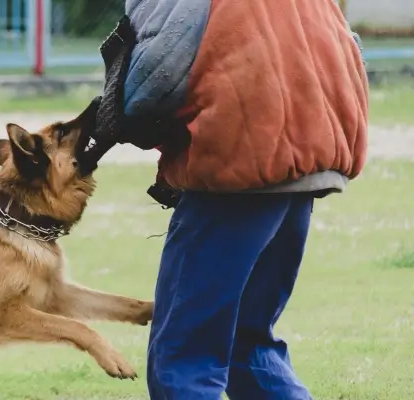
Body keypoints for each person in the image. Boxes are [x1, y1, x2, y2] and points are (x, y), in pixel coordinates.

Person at [89, 0, 369, 398]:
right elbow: (350, 51)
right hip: (310, 159)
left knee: (184, 357)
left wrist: (118, 126)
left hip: (238, 169)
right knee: (248, 344)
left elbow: (149, 85)